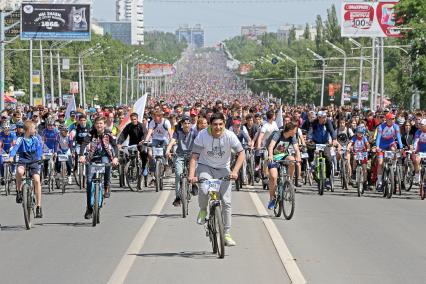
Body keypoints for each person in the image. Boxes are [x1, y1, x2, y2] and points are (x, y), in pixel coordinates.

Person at [188, 112, 245, 247]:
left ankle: (226, 234)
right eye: (215, 124)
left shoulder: (230, 136)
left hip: (223, 169)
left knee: (226, 202)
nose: (218, 127)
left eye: (221, 124)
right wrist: (191, 175)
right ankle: (203, 210)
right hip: (205, 167)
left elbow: (241, 153)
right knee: (203, 188)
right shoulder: (202, 135)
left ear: (224, 124)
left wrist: (235, 171)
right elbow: (194, 156)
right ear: (210, 125)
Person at [79, 116, 119, 219]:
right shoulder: (91, 133)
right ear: (95, 125)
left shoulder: (108, 133)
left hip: (105, 155)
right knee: (88, 181)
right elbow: (84, 143)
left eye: (101, 123)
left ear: (104, 124)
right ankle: (89, 208)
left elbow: (114, 146)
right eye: (97, 123)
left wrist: (115, 158)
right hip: (92, 157)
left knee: (107, 165)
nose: (99, 125)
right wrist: (82, 155)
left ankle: (106, 185)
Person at [9, 121, 44, 217]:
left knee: (37, 180)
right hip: (23, 159)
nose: (35, 130)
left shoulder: (36, 139)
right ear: (28, 130)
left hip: (33, 161)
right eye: (33, 128)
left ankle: (39, 207)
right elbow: (15, 148)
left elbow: (39, 148)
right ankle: (19, 191)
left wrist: (41, 156)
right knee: (20, 172)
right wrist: (11, 157)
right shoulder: (21, 139)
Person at [266, 122, 300, 209]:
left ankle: (289, 180)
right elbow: (271, 146)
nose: (295, 132)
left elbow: (296, 148)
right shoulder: (278, 134)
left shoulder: (293, 137)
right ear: (290, 130)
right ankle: (272, 198)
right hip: (273, 156)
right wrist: (270, 155)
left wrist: (298, 157)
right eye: (295, 130)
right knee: (273, 177)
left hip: (283, 155)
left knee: (292, 160)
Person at [165, 116, 197, 206]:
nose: (187, 125)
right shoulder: (178, 132)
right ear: (182, 124)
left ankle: (194, 184)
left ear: (191, 124)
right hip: (180, 155)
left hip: (191, 155)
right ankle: (178, 197)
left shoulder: (194, 132)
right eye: (185, 123)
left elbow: (199, 142)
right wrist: (168, 150)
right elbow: (172, 141)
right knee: (178, 174)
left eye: (188, 123)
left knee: (195, 168)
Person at [307, 110, 337, 189]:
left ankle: (327, 178)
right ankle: (312, 165)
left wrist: (334, 139)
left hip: (325, 143)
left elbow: (332, 131)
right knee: (309, 149)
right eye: (322, 118)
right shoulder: (314, 122)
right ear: (318, 118)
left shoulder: (328, 122)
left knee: (328, 159)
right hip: (315, 142)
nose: (324, 119)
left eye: (325, 117)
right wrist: (309, 139)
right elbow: (310, 132)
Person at [375, 112, 403, 189]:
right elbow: (378, 138)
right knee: (380, 163)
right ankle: (379, 181)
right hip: (382, 145)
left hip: (390, 143)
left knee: (394, 150)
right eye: (391, 119)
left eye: (394, 118)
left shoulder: (396, 127)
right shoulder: (381, 127)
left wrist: (401, 147)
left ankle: (393, 165)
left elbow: (399, 138)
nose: (393, 120)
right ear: (387, 119)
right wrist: (377, 147)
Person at [117, 112, 148, 178]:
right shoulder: (129, 126)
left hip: (141, 143)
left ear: (137, 119)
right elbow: (123, 135)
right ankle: (129, 168)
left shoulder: (141, 125)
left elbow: (145, 133)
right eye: (132, 119)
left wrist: (142, 140)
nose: (133, 121)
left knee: (143, 153)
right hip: (132, 144)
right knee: (127, 156)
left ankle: (144, 167)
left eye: (134, 119)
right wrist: (119, 143)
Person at [347, 126, 370, 190]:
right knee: (354, 159)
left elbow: (367, 144)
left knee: (364, 168)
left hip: (363, 153)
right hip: (356, 152)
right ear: (356, 133)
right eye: (358, 133)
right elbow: (350, 143)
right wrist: (348, 148)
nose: (360, 134)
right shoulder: (354, 138)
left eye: (361, 133)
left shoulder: (364, 138)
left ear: (363, 133)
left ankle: (365, 182)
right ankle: (354, 172)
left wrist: (368, 148)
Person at [413, 119, 426, 185]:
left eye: (422, 125)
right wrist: (415, 150)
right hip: (420, 151)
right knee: (416, 160)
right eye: (420, 124)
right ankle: (417, 177)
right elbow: (415, 141)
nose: (420, 126)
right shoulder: (418, 132)